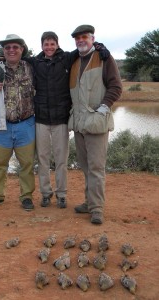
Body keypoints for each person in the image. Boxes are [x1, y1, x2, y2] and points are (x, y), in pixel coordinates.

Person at [23, 31, 110, 209]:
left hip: (61, 119)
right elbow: (17, 56)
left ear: (57, 44)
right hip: (41, 119)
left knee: (62, 159)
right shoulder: (35, 62)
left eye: (52, 44)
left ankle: (62, 194)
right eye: (46, 44)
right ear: (41, 46)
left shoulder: (67, 58)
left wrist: (101, 46)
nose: (49, 47)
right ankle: (46, 194)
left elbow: (86, 48)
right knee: (43, 159)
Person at [68, 25, 122, 224]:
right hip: (79, 124)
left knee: (97, 168)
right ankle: (89, 202)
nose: (81, 40)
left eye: (84, 37)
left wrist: (104, 107)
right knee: (85, 166)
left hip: (97, 123)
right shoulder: (73, 61)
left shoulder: (104, 57)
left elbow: (116, 86)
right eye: (77, 38)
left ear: (92, 38)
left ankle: (97, 209)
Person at [0, 34, 36, 211]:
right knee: (0, 165)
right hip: (2, 125)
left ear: (22, 49)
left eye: (15, 47)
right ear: (3, 50)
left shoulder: (31, 67)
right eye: (7, 47)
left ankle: (26, 197)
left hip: (26, 125)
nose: (11, 50)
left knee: (27, 165)